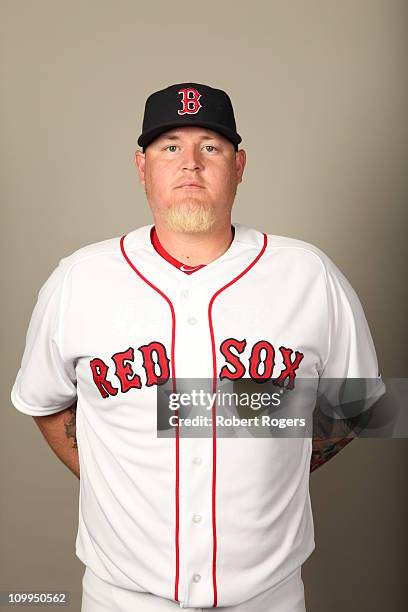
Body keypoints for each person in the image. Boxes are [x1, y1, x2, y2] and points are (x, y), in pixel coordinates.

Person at [10, 82, 386, 611]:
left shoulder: (307, 274)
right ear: (141, 167)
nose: (191, 163)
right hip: (121, 599)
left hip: (268, 599)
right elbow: (43, 401)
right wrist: (110, 473)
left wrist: (268, 456)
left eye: (211, 146)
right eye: (170, 147)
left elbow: (360, 406)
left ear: (239, 165)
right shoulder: (80, 279)